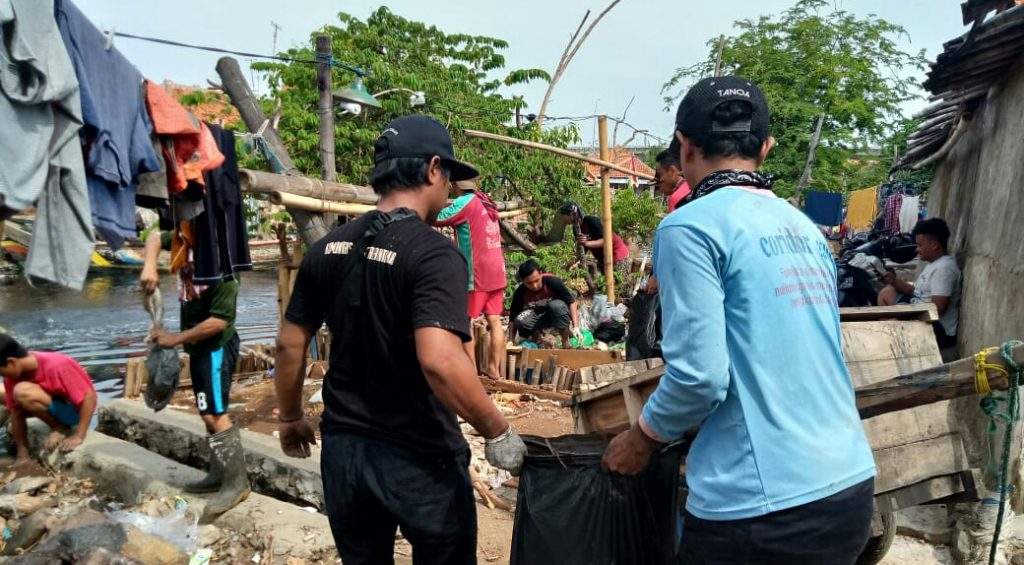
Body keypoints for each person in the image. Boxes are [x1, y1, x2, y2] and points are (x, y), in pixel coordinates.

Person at [602, 76, 876, 564]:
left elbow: (700, 378)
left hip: (763, 507)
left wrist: (640, 438)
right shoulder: (805, 228)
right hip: (849, 484)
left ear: (685, 147)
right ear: (766, 147)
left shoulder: (689, 227)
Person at [273, 115, 526, 565]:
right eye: (448, 176)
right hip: (419, 459)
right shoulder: (433, 253)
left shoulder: (327, 248)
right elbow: (439, 360)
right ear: (432, 170)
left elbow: (290, 344)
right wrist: (498, 429)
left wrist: (291, 416)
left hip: (345, 453)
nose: (449, 188)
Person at [140, 232, 249, 520]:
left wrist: (174, 339)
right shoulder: (187, 241)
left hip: (215, 347)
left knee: (216, 413)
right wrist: (149, 266)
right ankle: (218, 474)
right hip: (200, 348)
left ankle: (237, 483)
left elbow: (218, 322)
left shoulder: (225, 270)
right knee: (205, 412)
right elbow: (153, 238)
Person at [435, 177, 507, 379]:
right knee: (494, 321)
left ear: (454, 186)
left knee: (465, 320)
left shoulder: (464, 202)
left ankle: (471, 373)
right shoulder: (486, 200)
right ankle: (493, 369)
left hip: (478, 273)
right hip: (497, 271)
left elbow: (437, 217)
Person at [0, 333, 97, 461]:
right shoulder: (13, 375)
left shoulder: (57, 365)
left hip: (75, 412)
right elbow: (16, 413)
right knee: (10, 394)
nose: (2, 376)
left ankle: (60, 428)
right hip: (51, 405)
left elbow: (89, 397)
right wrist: (22, 455)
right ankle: (57, 426)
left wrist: (79, 435)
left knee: (21, 391)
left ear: (11, 362)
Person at [878, 218, 960, 348]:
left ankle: (894, 344)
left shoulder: (944, 268)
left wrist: (903, 315)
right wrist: (893, 280)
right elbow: (914, 292)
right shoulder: (933, 264)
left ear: (934, 245)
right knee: (887, 292)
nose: (917, 249)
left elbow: (938, 309)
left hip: (939, 330)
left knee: (891, 323)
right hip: (921, 310)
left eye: (920, 245)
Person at [508, 260, 581, 348]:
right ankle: (538, 340)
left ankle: (565, 341)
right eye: (529, 283)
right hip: (539, 317)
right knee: (520, 320)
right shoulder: (520, 292)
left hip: (559, 313)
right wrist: (511, 341)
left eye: (536, 280)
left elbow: (572, 302)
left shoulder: (552, 281)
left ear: (541, 273)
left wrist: (576, 327)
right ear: (523, 281)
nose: (534, 286)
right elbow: (512, 318)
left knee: (556, 306)